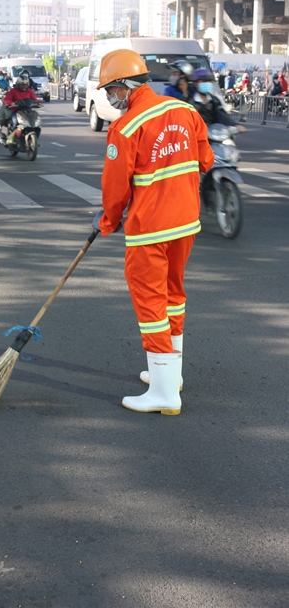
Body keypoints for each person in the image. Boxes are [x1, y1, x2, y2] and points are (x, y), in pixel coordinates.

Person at [93, 49, 214, 415]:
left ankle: (164, 394)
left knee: (150, 304)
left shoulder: (126, 127)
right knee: (173, 295)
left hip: (150, 230)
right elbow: (206, 160)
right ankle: (169, 374)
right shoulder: (185, 111)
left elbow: (115, 190)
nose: (112, 99)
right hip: (186, 223)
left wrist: (108, 221)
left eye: (112, 91)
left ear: (127, 86)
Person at [2, 74, 40, 144]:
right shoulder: (13, 91)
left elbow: (34, 99)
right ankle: (11, 139)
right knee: (15, 123)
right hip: (16, 111)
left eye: (25, 85)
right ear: (18, 84)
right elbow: (7, 99)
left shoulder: (29, 91)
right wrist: (11, 103)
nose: (24, 86)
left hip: (28, 111)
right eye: (22, 85)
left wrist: (37, 103)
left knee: (35, 122)